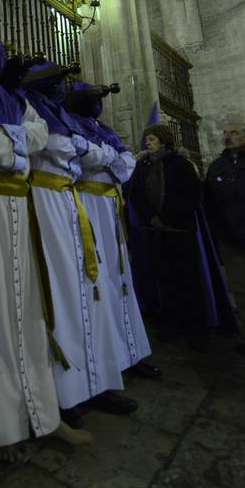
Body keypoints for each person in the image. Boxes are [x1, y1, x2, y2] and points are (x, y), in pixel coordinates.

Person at [0, 32, 93, 461]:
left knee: (27, 311)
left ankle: (42, 414)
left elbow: (40, 133)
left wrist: (7, 141)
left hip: (17, 205)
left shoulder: (14, 96)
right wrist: (14, 145)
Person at [24, 64, 127, 425]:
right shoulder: (27, 106)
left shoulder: (60, 114)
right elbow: (54, 145)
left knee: (88, 289)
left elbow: (84, 151)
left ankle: (94, 380)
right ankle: (63, 392)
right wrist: (81, 149)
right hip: (44, 202)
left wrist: (82, 149)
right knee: (56, 294)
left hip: (70, 202)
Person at [64, 83, 154, 411]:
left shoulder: (102, 129)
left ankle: (130, 353)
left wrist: (106, 158)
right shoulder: (67, 122)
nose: (97, 106)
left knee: (121, 282)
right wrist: (107, 158)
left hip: (110, 209)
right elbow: (82, 156)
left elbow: (126, 165)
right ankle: (103, 368)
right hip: (85, 206)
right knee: (96, 285)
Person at [128, 124, 208, 350]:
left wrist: (166, 218)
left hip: (178, 231)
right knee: (164, 279)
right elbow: (136, 194)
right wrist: (150, 217)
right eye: (146, 140)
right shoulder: (142, 166)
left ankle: (196, 330)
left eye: (152, 139)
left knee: (188, 280)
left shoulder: (180, 165)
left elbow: (189, 196)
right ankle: (171, 323)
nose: (148, 143)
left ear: (163, 141)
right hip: (155, 231)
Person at [205, 121, 245, 358]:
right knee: (244, 293)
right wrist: (220, 234)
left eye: (235, 133)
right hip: (232, 242)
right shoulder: (217, 166)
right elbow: (209, 204)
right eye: (226, 133)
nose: (229, 137)